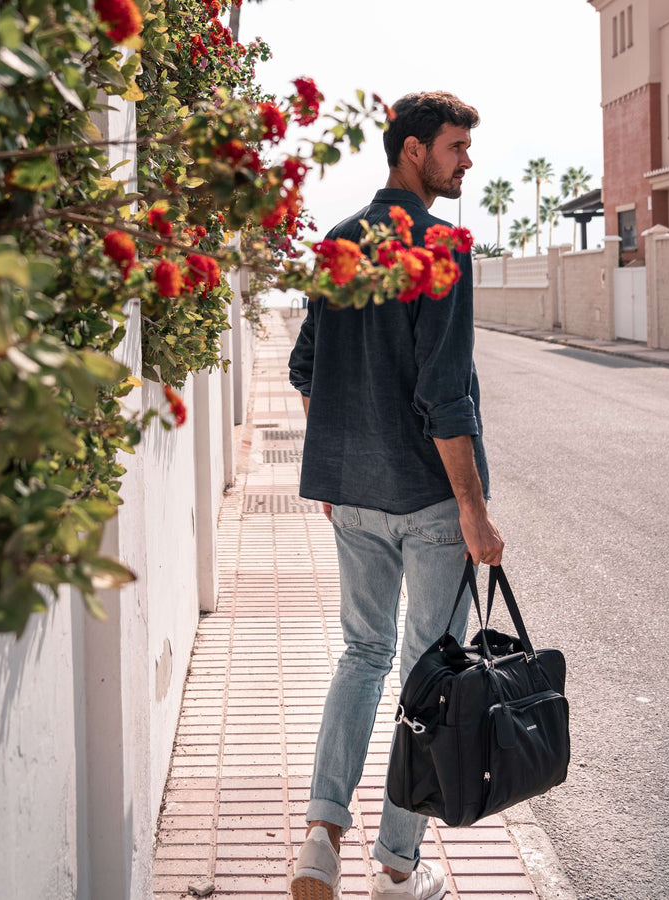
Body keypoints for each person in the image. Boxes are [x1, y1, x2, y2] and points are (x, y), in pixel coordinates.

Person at [288, 91, 504, 900]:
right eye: (455, 146)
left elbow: (306, 367)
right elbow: (447, 397)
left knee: (362, 655)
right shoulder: (440, 245)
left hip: (354, 498)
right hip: (429, 502)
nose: (465, 161)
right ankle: (396, 868)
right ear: (413, 150)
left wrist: (344, 463)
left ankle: (320, 835)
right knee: (428, 672)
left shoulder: (340, 240)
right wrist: (474, 512)